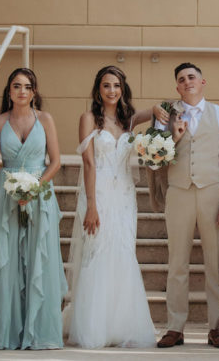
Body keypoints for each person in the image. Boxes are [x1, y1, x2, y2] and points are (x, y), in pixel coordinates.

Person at [65, 65, 158, 348]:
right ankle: (94, 328)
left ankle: (120, 326)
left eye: (116, 85)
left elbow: (153, 112)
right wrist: (92, 205)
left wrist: (158, 109)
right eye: (106, 85)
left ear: (122, 88)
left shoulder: (128, 119)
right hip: (99, 193)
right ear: (98, 89)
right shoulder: (89, 118)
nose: (112, 90)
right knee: (98, 252)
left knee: (123, 251)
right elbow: (89, 163)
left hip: (125, 196)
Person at [0, 68, 67, 350]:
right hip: (8, 196)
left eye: (27, 86)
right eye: (16, 86)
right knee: (8, 263)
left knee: (38, 259)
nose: (21, 91)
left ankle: (39, 331)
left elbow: (55, 162)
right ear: (9, 91)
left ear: (33, 92)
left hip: (39, 195)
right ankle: (8, 331)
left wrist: (34, 189)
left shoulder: (46, 119)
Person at [156, 62, 219, 350]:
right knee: (177, 262)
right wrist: (174, 136)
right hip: (178, 192)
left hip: (212, 193)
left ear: (202, 82)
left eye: (192, 77)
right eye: (181, 79)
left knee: (214, 263)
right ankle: (174, 326)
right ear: (177, 87)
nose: (187, 81)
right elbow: (156, 158)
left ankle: (215, 328)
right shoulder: (166, 116)